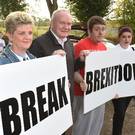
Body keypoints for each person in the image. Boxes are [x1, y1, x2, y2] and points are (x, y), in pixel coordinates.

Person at [29, 9, 75, 135]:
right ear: (52, 23)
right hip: (49, 105)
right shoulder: (38, 43)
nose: (66, 27)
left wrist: (82, 60)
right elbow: (32, 76)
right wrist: (50, 60)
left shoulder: (69, 43)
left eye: (69, 24)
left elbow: (72, 68)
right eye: (62, 23)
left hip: (66, 100)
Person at [72, 16, 107, 135]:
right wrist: (81, 81)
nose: (101, 32)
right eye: (97, 29)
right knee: (82, 126)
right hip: (83, 93)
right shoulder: (80, 46)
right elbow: (73, 71)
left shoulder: (103, 46)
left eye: (103, 29)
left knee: (96, 124)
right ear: (90, 30)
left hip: (98, 92)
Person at [112, 25, 135, 135]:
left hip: (131, 87)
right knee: (120, 113)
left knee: (122, 112)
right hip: (118, 90)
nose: (126, 39)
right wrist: (112, 90)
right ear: (119, 38)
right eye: (124, 37)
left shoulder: (134, 50)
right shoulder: (112, 51)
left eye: (129, 37)